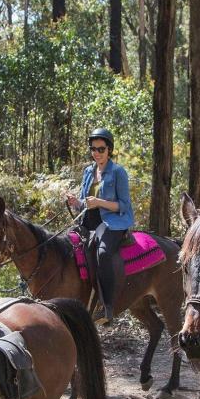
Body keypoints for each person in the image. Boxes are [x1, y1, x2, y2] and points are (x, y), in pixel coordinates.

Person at [65, 127, 134, 325]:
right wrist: (75, 202)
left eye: (101, 149)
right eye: (93, 149)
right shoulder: (88, 171)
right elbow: (84, 201)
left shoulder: (118, 172)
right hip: (88, 219)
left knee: (103, 253)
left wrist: (100, 202)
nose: (96, 153)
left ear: (109, 150)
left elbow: (123, 205)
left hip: (112, 221)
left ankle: (107, 307)